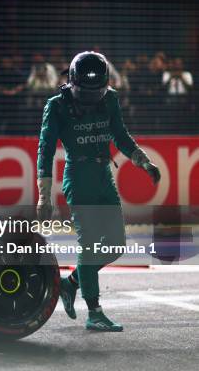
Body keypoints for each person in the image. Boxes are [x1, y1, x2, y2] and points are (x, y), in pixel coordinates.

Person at [36, 51, 161, 332]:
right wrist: (44, 194)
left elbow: (120, 135)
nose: (93, 99)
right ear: (71, 82)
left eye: (98, 92)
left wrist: (144, 161)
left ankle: (70, 285)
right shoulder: (56, 106)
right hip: (78, 178)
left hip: (104, 175)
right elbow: (45, 151)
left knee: (116, 244)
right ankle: (94, 312)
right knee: (90, 244)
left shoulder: (111, 98)